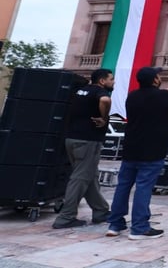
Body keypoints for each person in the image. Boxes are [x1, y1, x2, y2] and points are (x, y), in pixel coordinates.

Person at [106, 67, 168, 240]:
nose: (160, 78)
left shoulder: (132, 96)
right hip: (152, 149)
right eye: (158, 76)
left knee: (123, 186)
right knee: (143, 187)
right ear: (155, 80)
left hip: (131, 147)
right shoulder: (163, 96)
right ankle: (139, 228)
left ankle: (115, 224)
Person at [53, 68, 115, 229]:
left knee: (90, 175)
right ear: (102, 81)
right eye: (111, 79)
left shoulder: (80, 91)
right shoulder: (99, 92)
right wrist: (104, 118)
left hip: (71, 138)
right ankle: (66, 217)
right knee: (80, 178)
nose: (113, 82)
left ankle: (101, 211)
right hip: (88, 140)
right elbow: (105, 101)